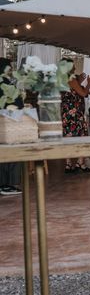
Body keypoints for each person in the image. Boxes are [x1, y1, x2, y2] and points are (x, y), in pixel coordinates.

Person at [61, 59, 90, 173]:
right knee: (81, 137)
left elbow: (71, 92)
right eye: (73, 66)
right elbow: (84, 94)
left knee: (67, 138)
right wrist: (89, 82)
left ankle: (68, 164)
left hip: (65, 112)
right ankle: (80, 163)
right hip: (75, 113)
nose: (75, 68)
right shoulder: (72, 80)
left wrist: (79, 81)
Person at [0, 58, 23, 195]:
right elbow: (17, 103)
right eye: (10, 68)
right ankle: (6, 184)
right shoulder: (5, 83)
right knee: (11, 152)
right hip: (7, 122)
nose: (12, 70)